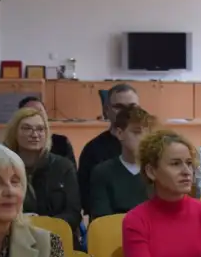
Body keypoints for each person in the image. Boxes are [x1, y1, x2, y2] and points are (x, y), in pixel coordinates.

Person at [3, 107, 81, 239]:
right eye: (27, 128)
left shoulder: (63, 167)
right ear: (14, 132)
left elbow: (73, 214)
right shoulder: (3, 166)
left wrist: (42, 225)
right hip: (15, 237)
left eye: (40, 129)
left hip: (56, 238)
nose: (34, 134)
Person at [77, 83, 139, 214]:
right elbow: (86, 199)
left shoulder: (154, 147)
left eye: (132, 107)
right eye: (119, 107)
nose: (126, 113)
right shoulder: (93, 150)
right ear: (106, 110)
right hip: (109, 225)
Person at [87, 105, 155, 219]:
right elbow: (102, 220)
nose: (144, 138)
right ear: (120, 133)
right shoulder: (102, 172)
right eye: (137, 132)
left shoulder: (157, 171)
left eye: (147, 132)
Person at [17, 94, 75, 163]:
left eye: (40, 111)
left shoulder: (61, 143)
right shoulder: (11, 147)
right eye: (30, 112)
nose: (36, 115)